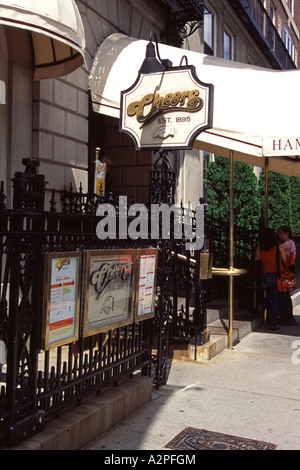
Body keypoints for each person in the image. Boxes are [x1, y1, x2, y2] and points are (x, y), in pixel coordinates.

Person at [255, 228, 286, 330]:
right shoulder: (278, 246)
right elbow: (285, 260)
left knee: (272, 293)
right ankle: (272, 323)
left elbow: (258, 257)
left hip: (266, 273)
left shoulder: (260, 247)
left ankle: (262, 306)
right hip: (278, 273)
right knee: (276, 298)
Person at [278, 226, 297, 325]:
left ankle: (288, 318)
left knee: (284, 296)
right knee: (285, 296)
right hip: (290, 272)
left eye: (281, 233)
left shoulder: (288, 243)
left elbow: (279, 248)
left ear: (287, 233)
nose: (279, 235)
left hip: (286, 272)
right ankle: (287, 317)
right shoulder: (292, 243)